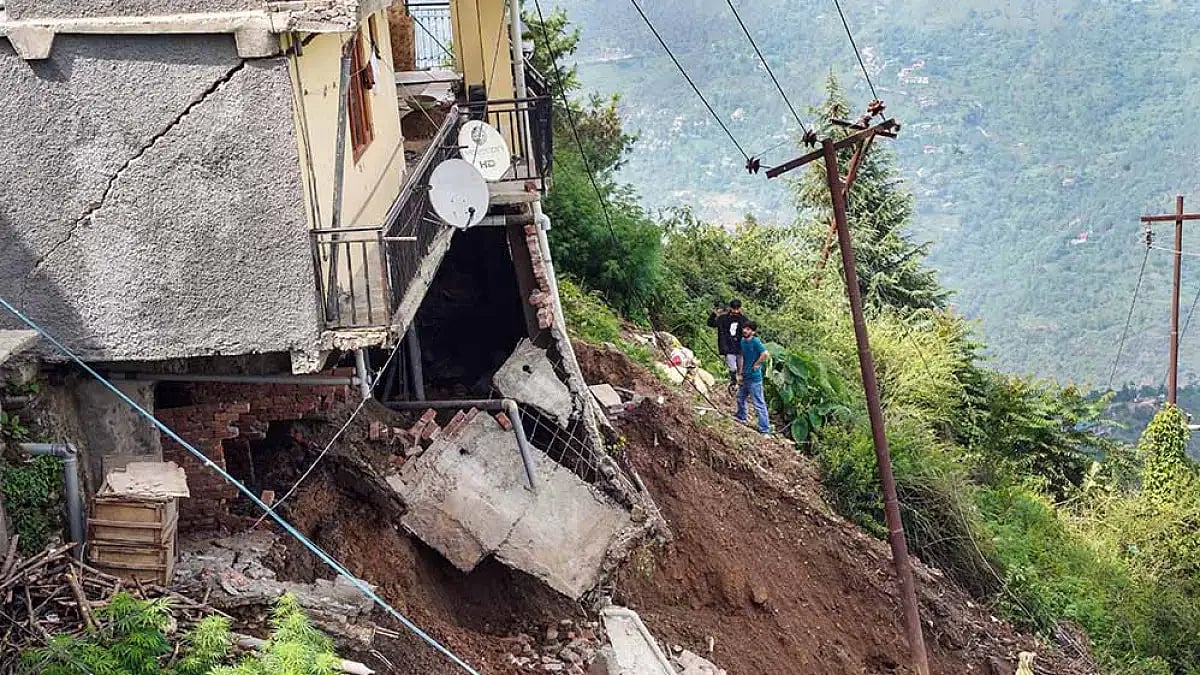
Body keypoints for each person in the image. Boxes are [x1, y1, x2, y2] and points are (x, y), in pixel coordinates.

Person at [735, 320, 771, 435]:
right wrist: (739, 373)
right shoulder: (742, 341)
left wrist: (757, 363)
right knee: (740, 397)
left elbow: (765, 353)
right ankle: (741, 417)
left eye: (748, 329)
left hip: (754, 378)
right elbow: (740, 356)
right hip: (745, 376)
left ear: (753, 332)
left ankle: (765, 429)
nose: (745, 331)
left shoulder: (755, 342)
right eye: (745, 328)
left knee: (759, 403)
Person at [707, 299, 749, 391]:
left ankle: (740, 387)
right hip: (728, 347)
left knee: (740, 369)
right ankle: (733, 384)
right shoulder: (723, 318)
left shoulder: (743, 320)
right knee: (732, 368)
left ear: (740, 308)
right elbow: (711, 323)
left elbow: (749, 331)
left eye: (737, 309)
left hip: (740, 348)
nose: (736, 311)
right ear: (730, 308)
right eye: (734, 308)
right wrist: (714, 314)